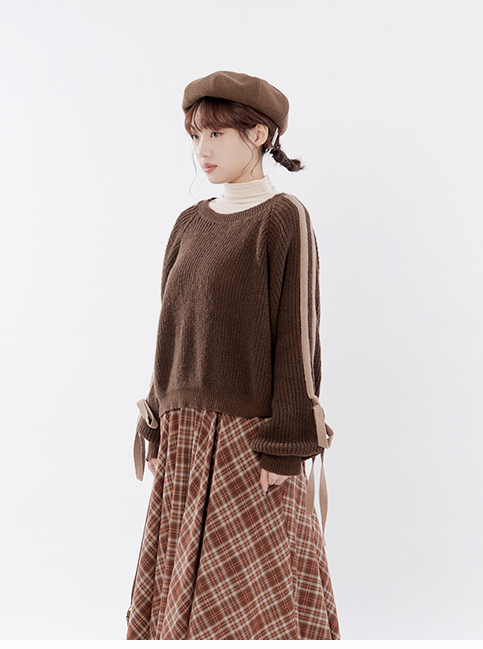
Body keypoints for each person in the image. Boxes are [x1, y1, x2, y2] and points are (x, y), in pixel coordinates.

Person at [126, 70, 339, 640]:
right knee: (184, 600)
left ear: (260, 135)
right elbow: (171, 330)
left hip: (250, 440)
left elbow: (298, 339)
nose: (203, 149)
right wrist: (155, 421)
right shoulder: (189, 223)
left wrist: (286, 445)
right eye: (196, 135)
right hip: (185, 438)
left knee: (251, 603)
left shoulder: (282, 217)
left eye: (217, 134)